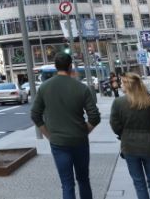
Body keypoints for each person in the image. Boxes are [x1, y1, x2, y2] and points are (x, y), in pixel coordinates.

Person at [31, 53, 102, 199]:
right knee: (83, 180)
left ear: (55, 67)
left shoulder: (44, 88)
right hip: (79, 141)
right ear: (70, 66)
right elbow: (94, 116)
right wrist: (84, 131)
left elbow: (35, 115)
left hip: (58, 143)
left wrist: (49, 135)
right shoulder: (81, 88)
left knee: (67, 183)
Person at [111, 73, 150, 199]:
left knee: (139, 183)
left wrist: (123, 134)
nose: (121, 85)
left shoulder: (118, 103)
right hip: (149, 145)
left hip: (129, 146)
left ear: (128, 85)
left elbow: (115, 125)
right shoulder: (148, 100)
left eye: (122, 82)